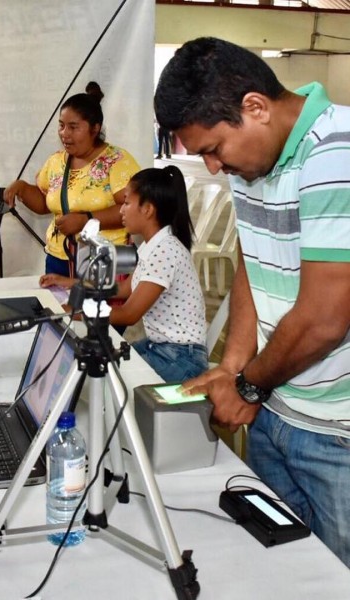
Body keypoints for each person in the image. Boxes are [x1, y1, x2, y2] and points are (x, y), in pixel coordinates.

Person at [154, 37, 350, 567]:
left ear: (255, 107)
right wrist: (232, 365)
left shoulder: (337, 150)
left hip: (336, 435)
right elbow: (253, 264)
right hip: (276, 409)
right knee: (283, 570)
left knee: (336, 579)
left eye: (213, 149)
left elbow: (325, 319)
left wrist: (247, 384)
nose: (213, 167)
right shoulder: (255, 163)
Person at [41, 166, 207, 381]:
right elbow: (126, 288)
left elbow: (129, 314)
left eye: (127, 203)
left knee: (104, 377)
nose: (121, 211)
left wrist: (74, 312)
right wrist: (71, 282)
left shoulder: (165, 251)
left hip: (181, 358)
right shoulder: (152, 245)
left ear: (147, 209)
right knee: (103, 364)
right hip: (161, 347)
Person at [4, 91, 140, 277]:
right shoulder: (55, 161)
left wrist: (86, 221)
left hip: (104, 259)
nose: (64, 134)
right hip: (58, 258)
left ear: (95, 129)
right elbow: (45, 204)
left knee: (99, 299)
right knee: (57, 298)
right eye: (61, 126)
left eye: (73, 127)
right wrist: (22, 188)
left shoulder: (116, 161)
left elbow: (133, 209)